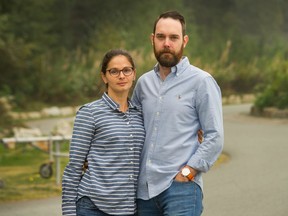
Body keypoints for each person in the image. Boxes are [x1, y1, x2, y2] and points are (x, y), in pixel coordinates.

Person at [132, 11, 224, 216]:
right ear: (152, 39)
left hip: (181, 189)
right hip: (143, 192)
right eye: (161, 37)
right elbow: (131, 130)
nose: (166, 43)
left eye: (173, 37)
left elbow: (215, 135)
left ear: (185, 41)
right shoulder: (143, 84)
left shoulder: (202, 82)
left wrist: (188, 172)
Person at [62, 49, 145, 216]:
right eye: (114, 71)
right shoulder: (90, 113)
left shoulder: (140, 113)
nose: (121, 76)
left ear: (134, 74)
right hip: (93, 207)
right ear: (104, 76)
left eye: (126, 70)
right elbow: (74, 167)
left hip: (130, 208)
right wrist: (69, 212)